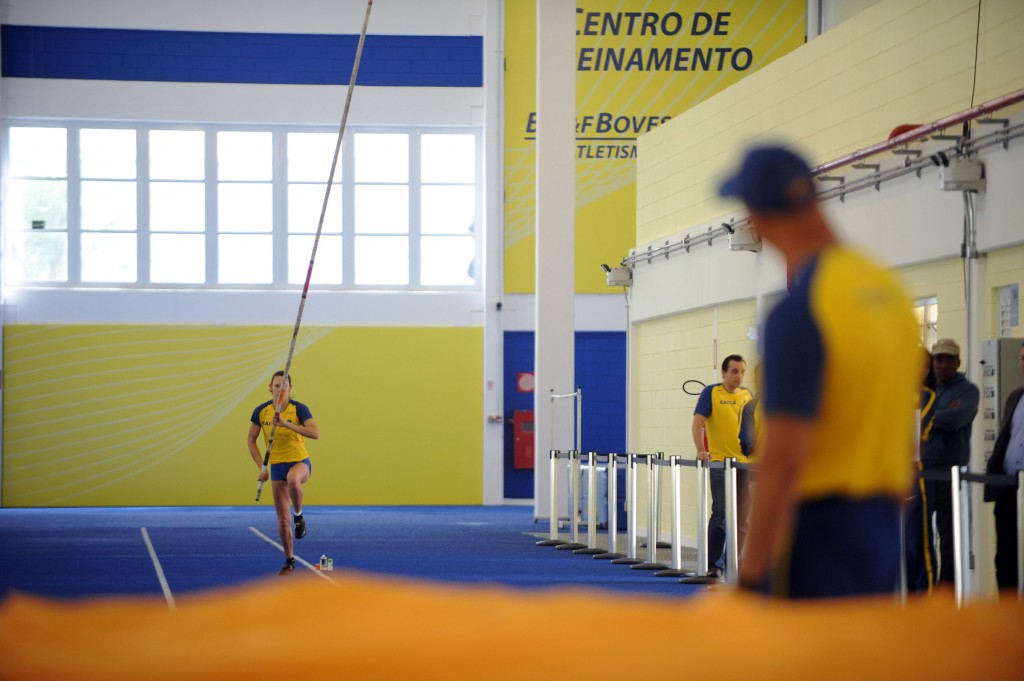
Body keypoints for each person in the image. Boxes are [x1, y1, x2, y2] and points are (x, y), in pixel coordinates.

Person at [723, 144, 920, 599]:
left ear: (757, 214)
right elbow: (901, 425)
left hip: (815, 530)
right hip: (881, 523)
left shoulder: (800, 310)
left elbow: (784, 458)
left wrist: (751, 577)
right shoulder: (889, 291)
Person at [248, 370, 320, 575]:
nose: (280, 389)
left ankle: (299, 516)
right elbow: (251, 441)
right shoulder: (261, 411)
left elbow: (315, 433)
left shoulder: (299, 409)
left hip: (300, 462)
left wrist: (287, 424)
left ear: (290, 388)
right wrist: (262, 467)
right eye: (277, 385)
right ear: (270, 387)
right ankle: (289, 560)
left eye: (284, 386)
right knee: (281, 520)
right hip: (277, 466)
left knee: (293, 479)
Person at [921, 338, 979, 586]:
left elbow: (956, 419)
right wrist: (937, 415)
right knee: (921, 539)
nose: (943, 365)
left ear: (958, 362)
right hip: (924, 473)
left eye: (948, 359)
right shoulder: (928, 391)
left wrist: (927, 415)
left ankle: (946, 594)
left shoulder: (967, 390)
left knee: (949, 539)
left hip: (950, 475)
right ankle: (925, 592)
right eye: (938, 359)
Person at [692, 354, 752, 579]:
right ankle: (714, 565)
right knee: (720, 514)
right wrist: (700, 449)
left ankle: (733, 562)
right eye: (734, 371)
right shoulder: (712, 392)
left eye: (742, 372)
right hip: (720, 464)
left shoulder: (748, 395)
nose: (739, 376)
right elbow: (698, 422)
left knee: (743, 517)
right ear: (724, 373)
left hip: (744, 465)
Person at [984, 340, 1024, 591]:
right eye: (1022, 358)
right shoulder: (1015, 397)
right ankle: (1007, 617)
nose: (1023, 363)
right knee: (1006, 558)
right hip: (1009, 489)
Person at [905, 347, 938, 593]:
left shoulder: (927, 396)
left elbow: (914, 426)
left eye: (925, 366)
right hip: (890, 476)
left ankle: (924, 597)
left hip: (917, 476)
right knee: (901, 545)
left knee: (919, 543)